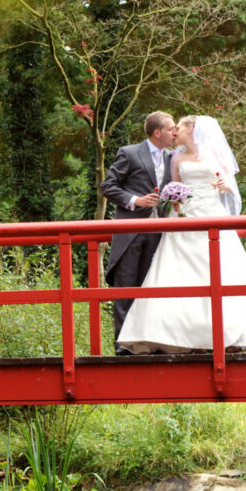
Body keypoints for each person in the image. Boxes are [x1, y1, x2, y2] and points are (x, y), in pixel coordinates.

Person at [115, 115, 246, 354]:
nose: (175, 131)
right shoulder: (176, 158)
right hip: (185, 216)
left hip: (212, 213)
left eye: (178, 127)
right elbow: (172, 187)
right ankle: (187, 337)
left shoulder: (214, 153)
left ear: (191, 129)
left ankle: (226, 334)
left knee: (220, 271)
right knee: (180, 273)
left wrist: (224, 187)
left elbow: (229, 184)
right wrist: (175, 201)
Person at [99, 111, 177, 353]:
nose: (175, 132)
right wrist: (136, 200)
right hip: (130, 231)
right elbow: (108, 186)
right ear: (157, 132)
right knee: (126, 287)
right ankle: (123, 346)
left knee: (151, 288)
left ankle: (148, 343)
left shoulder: (172, 158)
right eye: (171, 128)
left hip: (159, 233)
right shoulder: (129, 153)